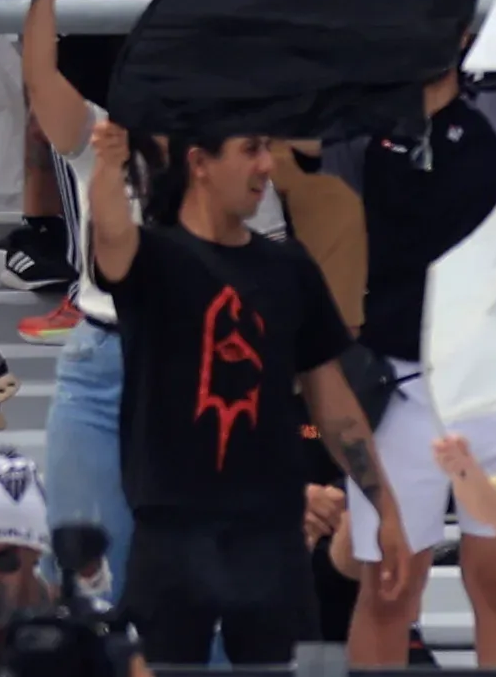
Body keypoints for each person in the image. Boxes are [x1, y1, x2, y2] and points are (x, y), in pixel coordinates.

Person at [84, 95, 392, 663]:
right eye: (250, 150)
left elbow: (335, 407)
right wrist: (107, 167)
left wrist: (383, 504)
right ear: (200, 163)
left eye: (265, 149)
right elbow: (110, 240)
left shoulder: (289, 266)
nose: (266, 165)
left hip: (271, 535)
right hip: (173, 530)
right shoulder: (153, 258)